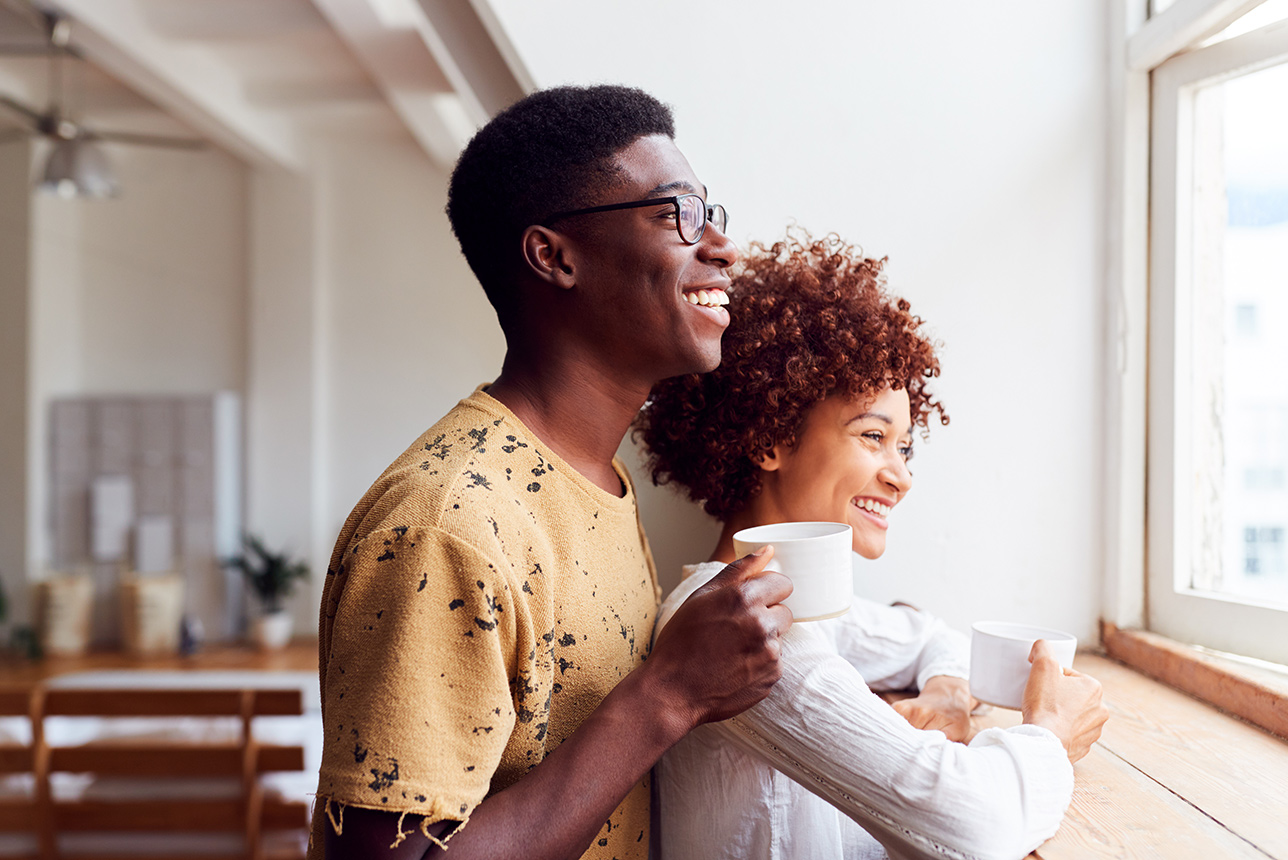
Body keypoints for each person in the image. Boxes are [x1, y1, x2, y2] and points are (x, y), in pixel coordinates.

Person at [310, 85, 794, 860]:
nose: (723, 248)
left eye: (713, 213)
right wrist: (666, 696)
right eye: (677, 213)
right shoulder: (445, 525)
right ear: (555, 256)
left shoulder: (593, 481)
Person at [635, 232, 1110, 860]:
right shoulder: (738, 630)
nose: (902, 475)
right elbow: (978, 826)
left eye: (904, 446)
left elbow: (932, 638)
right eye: (872, 436)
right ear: (771, 439)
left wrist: (944, 693)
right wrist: (1051, 733)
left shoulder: (793, 602)